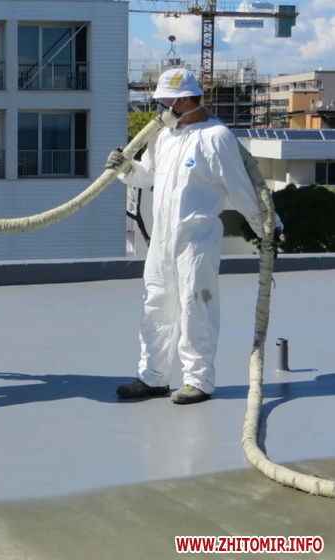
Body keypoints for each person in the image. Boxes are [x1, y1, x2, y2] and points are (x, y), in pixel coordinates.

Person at [105, 68, 281, 405]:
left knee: (196, 306)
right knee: (155, 305)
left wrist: (267, 229)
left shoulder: (216, 137)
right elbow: (147, 175)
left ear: (186, 99)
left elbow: (241, 189)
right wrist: (126, 168)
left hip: (196, 241)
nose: (160, 108)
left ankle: (198, 380)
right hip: (161, 240)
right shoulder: (163, 136)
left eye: (165, 101)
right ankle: (152, 377)